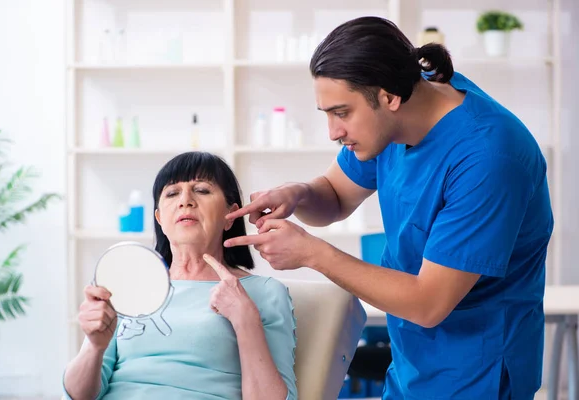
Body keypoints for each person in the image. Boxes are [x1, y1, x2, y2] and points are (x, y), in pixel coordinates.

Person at [224, 16, 554, 399]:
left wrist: (311, 254)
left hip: (478, 373)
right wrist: (297, 194)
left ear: (389, 97)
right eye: (327, 113)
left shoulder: (488, 158)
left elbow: (428, 303)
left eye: (341, 113)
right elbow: (333, 196)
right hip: (414, 364)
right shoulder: (396, 117)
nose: (333, 131)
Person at [63, 152, 297, 400]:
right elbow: (77, 396)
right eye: (172, 193)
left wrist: (245, 320)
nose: (185, 200)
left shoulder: (265, 293)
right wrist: (94, 346)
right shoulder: (124, 284)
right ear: (160, 219)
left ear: (230, 215)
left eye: (202, 190)